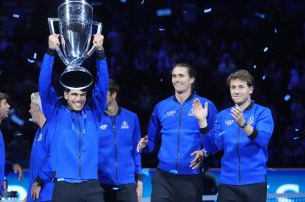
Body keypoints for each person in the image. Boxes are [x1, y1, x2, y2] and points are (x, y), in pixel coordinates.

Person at [39, 34, 108, 202]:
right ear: (65, 94)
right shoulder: (55, 113)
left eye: (82, 94)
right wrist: (50, 52)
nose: (79, 98)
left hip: (92, 184)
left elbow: (103, 85)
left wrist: (100, 52)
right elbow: (43, 85)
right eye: (74, 94)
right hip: (65, 186)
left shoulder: (93, 113)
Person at [137, 63, 217, 202]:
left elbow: (215, 143)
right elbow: (150, 144)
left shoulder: (206, 106)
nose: (176, 79)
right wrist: (143, 145)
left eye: (181, 76)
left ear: (191, 79)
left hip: (191, 177)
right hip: (163, 177)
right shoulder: (161, 107)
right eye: (174, 76)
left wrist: (204, 153)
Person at [193, 69, 274, 202]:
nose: (236, 91)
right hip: (227, 184)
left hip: (255, 182)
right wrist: (202, 122)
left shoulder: (263, 112)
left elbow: (262, 140)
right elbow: (212, 146)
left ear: (251, 89)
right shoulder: (223, 116)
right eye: (233, 87)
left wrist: (243, 124)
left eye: (241, 87)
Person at [98, 79, 143, 202]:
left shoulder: (132, 118)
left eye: (103, 93)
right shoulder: (94, 120)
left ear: (113, 94)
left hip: (127, 184)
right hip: (102, 184)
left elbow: (137, 151)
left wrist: (139, 179)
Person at [24, 92, 54, 202]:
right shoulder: (39, 131)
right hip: (37, 195)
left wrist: (38, 181)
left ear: (37, 107)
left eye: (30, 106)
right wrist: (29, 195)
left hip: (48, 195)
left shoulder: (51, 129)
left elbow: (53, 158)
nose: (29, 110)